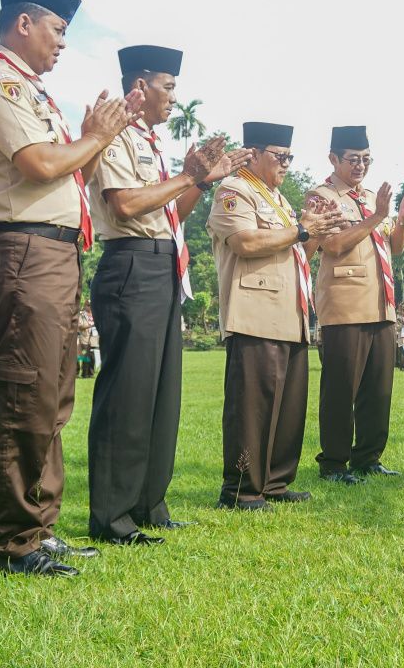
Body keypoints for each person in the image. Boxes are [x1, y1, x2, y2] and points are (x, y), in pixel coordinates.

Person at [0, 0, 139, 577]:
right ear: (23, 24)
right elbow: (40, 165)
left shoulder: (34, 91)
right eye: (57, 29)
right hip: (24, 249)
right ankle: (13, 541)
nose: (62, 42)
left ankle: (39, 525)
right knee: (22, 394)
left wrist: (100, 135)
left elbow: (67, 165)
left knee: (53, 395)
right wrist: (97, 136)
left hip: (54, 253)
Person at [86, 44, 248, 545]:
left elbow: (171, 214)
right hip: (130, 265)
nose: (175, 98)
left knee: (161, 395)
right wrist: (188, 175)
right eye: (170, 86)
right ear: (141, 86)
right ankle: (112, 517)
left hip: (160, 264)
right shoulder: (113, 135)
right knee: (128, 396)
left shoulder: (149, 142)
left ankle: (149, 504)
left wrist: (202, 181)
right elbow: (127, 204)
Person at [208, 122, 343, 510]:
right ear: (253, 155)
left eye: (290, 157)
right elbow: (246, 242)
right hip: (254, 313)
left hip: (290, 312)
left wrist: (317, 229)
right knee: (253, 406)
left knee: (288, 405)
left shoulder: (278, 200)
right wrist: (302, 229)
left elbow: (300, 252)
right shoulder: (235, 190)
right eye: (280, 156)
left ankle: (275, 483)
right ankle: (241, 489)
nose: (286, 163)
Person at [307, 126, 404, 485]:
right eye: (353, 159)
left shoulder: (371, 196)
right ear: (333, 159)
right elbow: (331, 246)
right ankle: (333, 463)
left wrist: (402, 217)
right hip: (344, 306)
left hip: (381, 305)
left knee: (379, 388)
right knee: (341, 389)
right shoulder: (321, 196)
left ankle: (368, 457)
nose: (360, 165)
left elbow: (395, 247)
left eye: (366, 159)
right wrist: (376, 217)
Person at [76, 303, 95, 378]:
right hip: (84, 338)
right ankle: (85, 374)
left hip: (94, 339)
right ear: (85, 305)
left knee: (92, 357)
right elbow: (80, 326)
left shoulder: (94, 314)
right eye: (88, 305)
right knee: (85, 357)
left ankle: (91, 373)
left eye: (91, 305)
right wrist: (90, 326)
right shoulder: (82, 315)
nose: (90, 306)